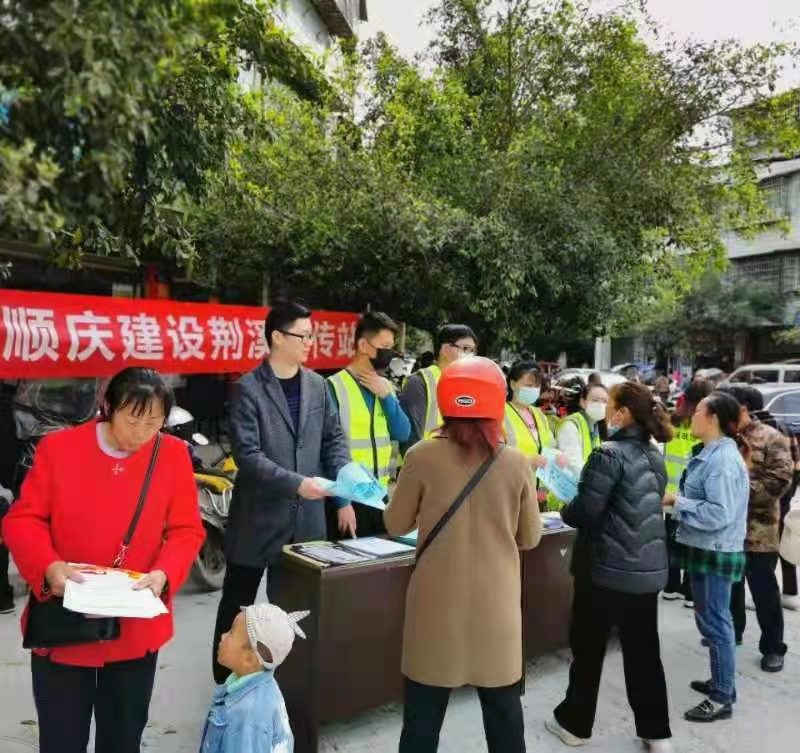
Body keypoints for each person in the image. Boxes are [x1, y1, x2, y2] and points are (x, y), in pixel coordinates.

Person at [2, 368, 205, 753]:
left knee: (123, 736)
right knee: (62, 738)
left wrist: (164, 573)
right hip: (65, 619)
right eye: (133, 420)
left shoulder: (172, 455)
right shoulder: (59, 449)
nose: (141, 433)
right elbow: (23, 520)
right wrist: (48, 567)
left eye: (154, 423)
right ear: (107, 406)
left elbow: (186, 530)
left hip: (134, 624)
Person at [385, 356, 542, 753]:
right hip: (496, 608)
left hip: (434, 606)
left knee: (421, 720)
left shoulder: (421, 455)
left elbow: (396, 523)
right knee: (504, 716)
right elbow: (529, 538)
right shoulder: (515, 462)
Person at [213, 300, 350, 684]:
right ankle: (224, 688)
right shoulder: (248, 389)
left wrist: (345, 478)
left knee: (296, 611)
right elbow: (248, 456)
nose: (310, 342)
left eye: (311, 335)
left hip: (306, 523)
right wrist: (297, 484)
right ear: (277, 337)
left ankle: (289, 689)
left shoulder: (318, 385)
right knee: (236, 609)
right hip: (257, 521)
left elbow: (333, 439)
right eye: (302, 335)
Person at [547, 382, 673, 752]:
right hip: (645, 572)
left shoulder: (607, 453)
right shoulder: (654, 455)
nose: (605, 411)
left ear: (622, 413)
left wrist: (566, 509)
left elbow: (587, 511)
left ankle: (574, 724)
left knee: (588, 650)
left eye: (610, 404)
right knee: (644, 654)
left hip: (602, 570)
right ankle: (656, 733)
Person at [667, 391, 749, 723]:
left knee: (716, 623)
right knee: (710, 620)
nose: (692, 415)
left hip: (716, 549)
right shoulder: (711, 453)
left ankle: (721, 697)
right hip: (705, 547)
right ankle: (721, 682)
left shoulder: (722, 462)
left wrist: (676, 502)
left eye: (699, 410)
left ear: (714, 417)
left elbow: (719, 513)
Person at [717, 385, 792, 672]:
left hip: (759, 531)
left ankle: (773, 647)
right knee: (730, 587)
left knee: (764, 592)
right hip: (727, 530)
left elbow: (780, 480)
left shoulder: (771, 437)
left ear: (742, 409)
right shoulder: (725, 438)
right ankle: (732, 632)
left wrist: (739, 491)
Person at [327, 312, 411, 538]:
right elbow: (327, 449)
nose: (389, 354)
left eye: (391, 348)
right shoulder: (334, 387)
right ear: (363, 345)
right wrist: (342, 503)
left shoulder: (384, 387)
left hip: (379, 495)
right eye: (385, 347)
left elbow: (403, 432)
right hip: (349, 498)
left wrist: (387, 397)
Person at [202, 603, 308, 753]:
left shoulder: (246, 718)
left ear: (249, 658)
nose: (223, 635)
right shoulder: (262, 685)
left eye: (231, 633)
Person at [662, 379, 713, 606]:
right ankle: (690, 591)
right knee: (693, 542)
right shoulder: (704, 424)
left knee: (671, 540)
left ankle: (670, 586)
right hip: (693, 493)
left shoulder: (673, 420)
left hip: (670, 492)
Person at [399, 324, 477, 447]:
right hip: (425, 457)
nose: (470, 355)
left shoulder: (466, 386)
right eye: (466, 348)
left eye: (472, 351)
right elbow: (411, 438)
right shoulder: (420, 382)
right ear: (445, 349)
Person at [504, 360, 557, 507]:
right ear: (512, 384)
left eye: (536, 386)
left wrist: (557, 457)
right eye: (528, 385)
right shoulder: (501, 413)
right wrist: (527, 461)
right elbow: (495, 455)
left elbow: (550, 447)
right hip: (512, 494)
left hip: (539, 495)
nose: (533, 390)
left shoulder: (539, 415)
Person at [554, 379, 607, 480]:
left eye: (605, 401)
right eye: (595, 400)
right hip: (573, 485)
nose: (600, 405)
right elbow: (573, 464)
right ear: (583, 402)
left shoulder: (595, 425)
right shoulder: (571, 424)